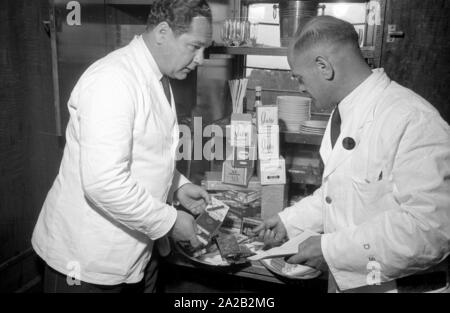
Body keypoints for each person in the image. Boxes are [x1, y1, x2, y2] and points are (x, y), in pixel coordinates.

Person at [253, 16, 450, 293]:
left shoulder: (414, 119)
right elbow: (339, 193)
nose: (300, 87)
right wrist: (290, 221)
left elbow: (432, 229)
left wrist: (331, 251)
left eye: (299, 77)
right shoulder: (342, 113)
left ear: (324, 66)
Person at [32, 0, 213, 293]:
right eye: (195, 46)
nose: (201, 58)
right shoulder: (113, 80)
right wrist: (169, 222)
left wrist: (177, 185)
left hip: (135, 254)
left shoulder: (156, 75)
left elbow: (142, 155)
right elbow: (104, 183)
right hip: (86, 263)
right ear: (163, 32)